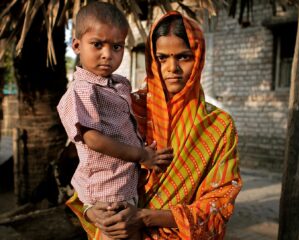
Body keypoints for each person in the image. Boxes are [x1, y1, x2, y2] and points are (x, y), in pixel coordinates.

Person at [66, 11, 242, 239]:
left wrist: (144, 217)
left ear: (198, 58)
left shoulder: (218, 126)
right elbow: (92, 168)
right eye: (162, 58)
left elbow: (219, 203)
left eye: (184, 57)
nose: (172, 68)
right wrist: (93, 212)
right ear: (151, 58)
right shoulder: (126, 109)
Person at [57, 3, 173, 240]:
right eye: (97, 44)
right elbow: (93, 139)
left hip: (122, 184)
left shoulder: (117, 84)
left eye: (117, 46)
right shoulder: (81, 90)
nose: (107, 54)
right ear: (77, 45)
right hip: (107, 189)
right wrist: (142, 156)